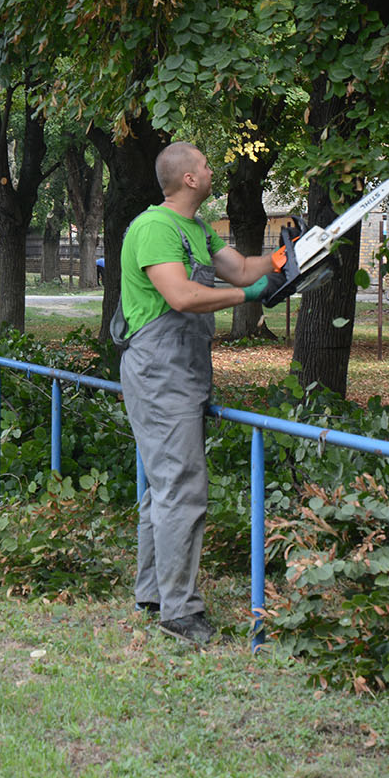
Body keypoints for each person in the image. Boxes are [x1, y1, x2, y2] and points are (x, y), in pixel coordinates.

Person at [114, 141, 304, 645]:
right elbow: (181, 296)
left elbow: (242, 268)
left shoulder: (195, 228)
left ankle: (155, 594)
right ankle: (179, 611)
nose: (211, 166)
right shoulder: (155, 228)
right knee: (183, 488)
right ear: (189, 180)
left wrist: (287, 259)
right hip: (159, 372)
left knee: (166, 487)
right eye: (204, 162)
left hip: (182, 370)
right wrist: (249, 297)